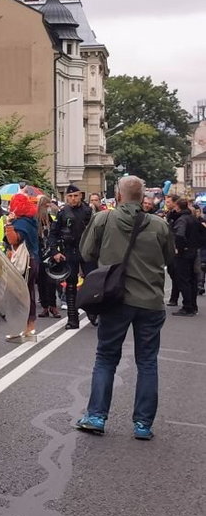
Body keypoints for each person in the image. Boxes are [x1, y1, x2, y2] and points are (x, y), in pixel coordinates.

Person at [75, 176, 173, 440]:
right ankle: (143, 424)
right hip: (151, 301)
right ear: (143, 198)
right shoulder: (159, 225)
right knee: (148, 362)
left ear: (117, 195)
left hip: (115, 298)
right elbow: (168, 258)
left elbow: (86, 251)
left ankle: (96, 416)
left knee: (106, 358)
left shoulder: (103, 220)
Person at [48, 185, 92, 329]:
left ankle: (92, 311)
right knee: (71, 285)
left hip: (86, 250)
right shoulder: (62, 213)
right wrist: (55, 252)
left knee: (91, 282)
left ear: (81, 196)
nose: (73, 199)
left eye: (75, 196)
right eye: (70, 196)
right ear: (66, 197)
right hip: (69, 251)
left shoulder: (88, 211)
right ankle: (73, 319)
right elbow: (53, 234)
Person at [4, 195, 40, 341]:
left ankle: (18, 328)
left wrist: (8, 224)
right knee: (29, 293)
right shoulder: (31, 221)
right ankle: (29, 326)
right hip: (33, 260)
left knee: (17, 296)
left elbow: (14, 239)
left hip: (24, 263)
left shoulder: (20, 223)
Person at [169, 198, 199, 316]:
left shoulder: (181, 220)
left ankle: (187, 307)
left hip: (184, 253)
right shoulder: (192, 218)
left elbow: (179, 235)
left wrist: (179, 248)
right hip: (193, 251)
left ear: (178, 206)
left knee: (183, 280)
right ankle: (193, 305)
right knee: (192, 279)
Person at [36, 195, 61, 318]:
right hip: (40, 253)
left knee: (51, 281)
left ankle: (53, 305)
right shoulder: (36, 220)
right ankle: (45, 306)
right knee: (41, 281)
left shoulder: (50, 219)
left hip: (50, 252)